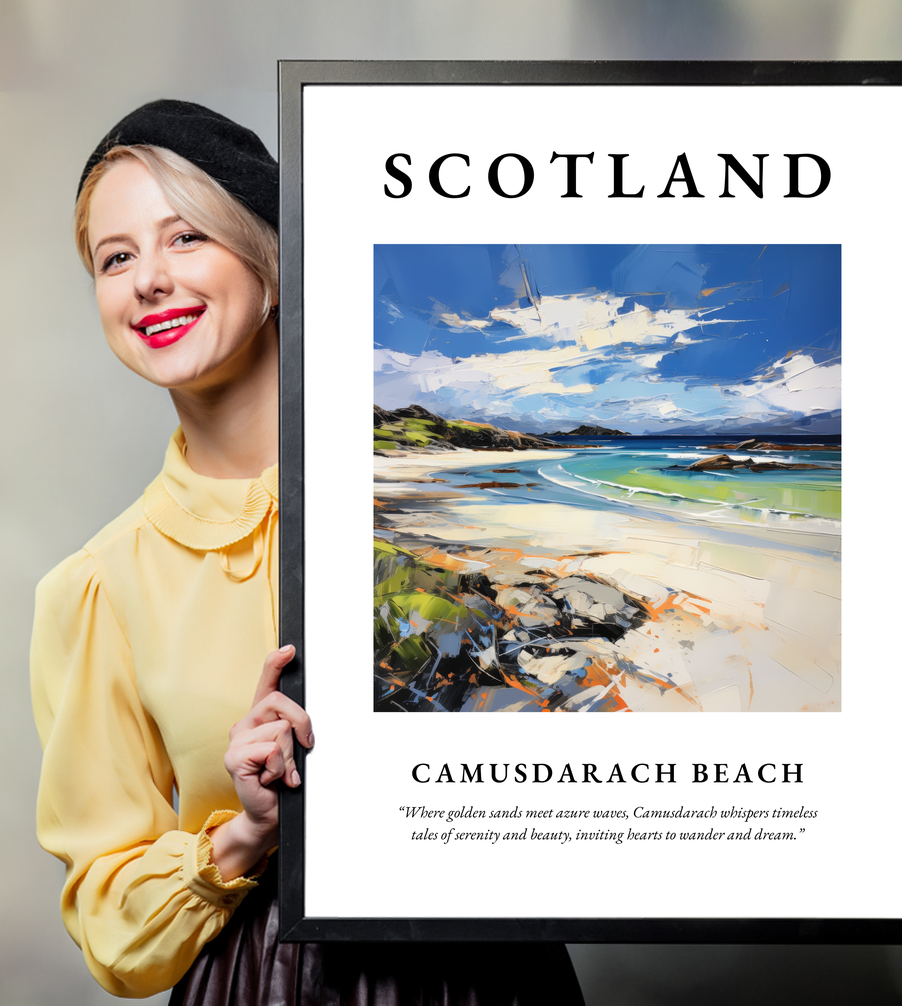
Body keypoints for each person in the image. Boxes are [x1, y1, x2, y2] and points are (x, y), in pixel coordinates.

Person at [30, 100, 585, 1004]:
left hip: (493, 973)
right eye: (116, 257)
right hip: (264, 981)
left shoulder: (445, 510)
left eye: (185, 239)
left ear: (273, 264)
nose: (148, 281)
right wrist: (245, 832)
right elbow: (110, 924)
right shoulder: (97, 587)